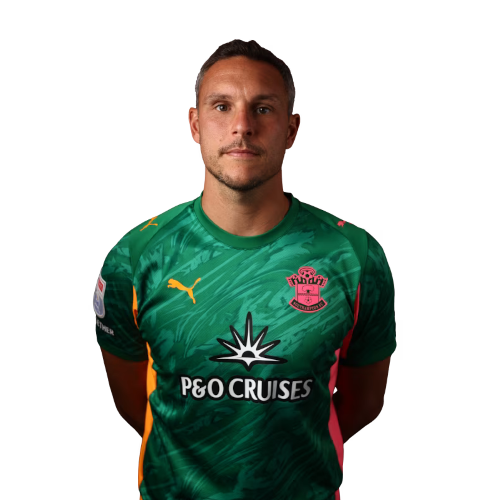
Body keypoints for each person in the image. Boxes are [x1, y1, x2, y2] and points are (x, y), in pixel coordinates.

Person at [94, 39, 396, 500]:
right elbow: (133, 403)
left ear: (291, 130)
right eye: (222, 106)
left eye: (263, 109)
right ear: (194, 125)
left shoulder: (355, 255)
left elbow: (364, 404)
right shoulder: (134, 256)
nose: (242, 126)